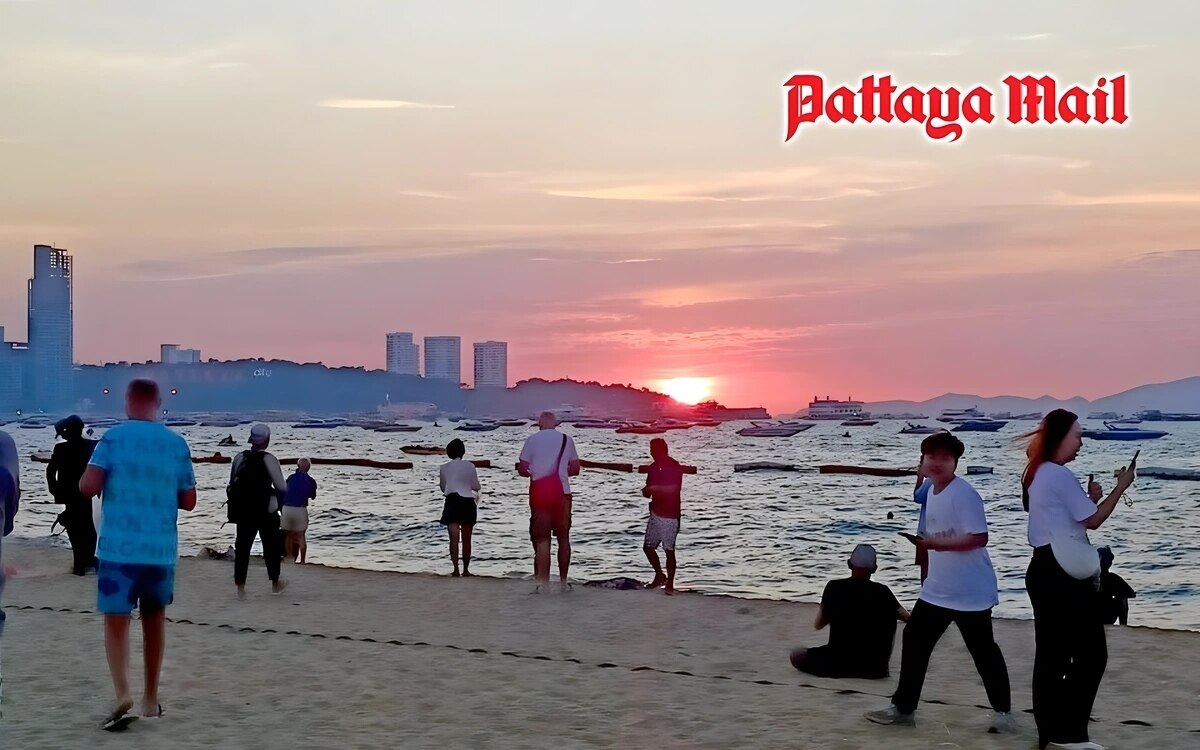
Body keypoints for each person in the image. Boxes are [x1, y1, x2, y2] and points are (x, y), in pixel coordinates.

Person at [867, 431, 1013, 734]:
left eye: (945, 458)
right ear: (922, 460)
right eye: (931, 457)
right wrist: (930, 546)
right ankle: (904, 709)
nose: (937, 463)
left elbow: (979, 537)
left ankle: (1002, 713)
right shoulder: (931, 491)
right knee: (915, 642)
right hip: (938, 589)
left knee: (983, 651)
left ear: (956, 463)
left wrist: (935, 545)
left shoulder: (964, 494)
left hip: (970, 591)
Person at [78, 379, 196, 729]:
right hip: (160, 549)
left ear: (128, 401)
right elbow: (189, 501)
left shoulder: (112, 439)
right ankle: (150, 697)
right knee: (154, 620)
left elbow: (88, 487)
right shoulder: (176, 444)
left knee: (116, 622)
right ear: (158, 403)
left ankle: (122, 692)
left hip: (118, 548)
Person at [1021, 409, 1136, 750]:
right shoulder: (1056, 475)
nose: (1081, 442)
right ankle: (1068, 734)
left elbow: (1067, 518)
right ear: (1060, 437)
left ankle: (1051, 733)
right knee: (1091, 654)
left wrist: (1091, 498)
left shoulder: (1038, 472)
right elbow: (1095, 521)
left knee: (1052, 656)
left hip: (1043, 568)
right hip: (1060, 574)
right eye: (1077, 435)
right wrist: (1121, 486)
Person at [790, 544, 910, 679]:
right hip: (876, 670)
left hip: (838, 665)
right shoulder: (884, 592)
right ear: (874, 569)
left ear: (849, 564)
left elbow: (819, 624)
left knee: (797, 655)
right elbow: (907, 618)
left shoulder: (834, 587)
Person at [517, 411, 581, 593]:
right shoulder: (566, 440)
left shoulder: (532, 440)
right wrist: (560, 474)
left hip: (539, 493)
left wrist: (535, 473)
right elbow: (575, 468)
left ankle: (543, 584)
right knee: (563, 538)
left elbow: (522, 468)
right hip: (563, 493)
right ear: (555, 424)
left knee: (542, 540)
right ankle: (562, 582)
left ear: (540, 424)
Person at [227, 424, 288, 598]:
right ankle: (275, 583)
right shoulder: (269, 459)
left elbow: (232, 482)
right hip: (266, 509)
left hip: (243, 510)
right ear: (266, 440)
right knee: (271, 547)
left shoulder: (239, 457)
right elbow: (281, 486)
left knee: (243, 548)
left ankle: (241, 588)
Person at [47, 415, 99, 575]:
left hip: (69, 492)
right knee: (88, 526)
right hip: (88, 491)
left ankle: (80, 564)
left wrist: (54, 489)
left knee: (76, 529)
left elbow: (50, 470)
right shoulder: (92, 445)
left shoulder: (61, 449)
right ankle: (90, 560)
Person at [641, 438, 684, 594]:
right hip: (655, 512)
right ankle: (659, 575)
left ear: (662, 450)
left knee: (669, 550)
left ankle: (670, 583)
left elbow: (673, 489)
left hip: (670, 514)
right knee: (648, 547)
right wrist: (647, 491)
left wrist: (653, 488)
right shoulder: (653, 467)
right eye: (650, 449)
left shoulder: (674, 466)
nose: (651, 452)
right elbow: (649, 488)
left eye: (653, 450)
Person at [439, 439, 481, 577]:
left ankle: (456, 569)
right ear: (463, 451)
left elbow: (443, 487)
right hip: (467, 502)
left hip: (452, 501)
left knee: (454, 538)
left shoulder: (444, 467)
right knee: (467, 538)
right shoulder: (470, 466)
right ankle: (466, 569)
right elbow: (476, 486)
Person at [281, 458, 317, 564]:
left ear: (298, 466)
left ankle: (289, 557)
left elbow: (284, 490)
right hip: (300, 508)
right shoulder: (310, 481)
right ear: (308, 468)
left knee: (288, 535)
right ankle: (302, 560)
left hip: (287, 508)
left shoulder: (291, 478)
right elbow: (313, 496)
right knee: (301, 535)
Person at [1097, 546, 1135, 627]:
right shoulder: (1112, 578)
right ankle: (1123, 626)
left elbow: (1130, 593)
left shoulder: (1112, 578)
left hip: (1106, 615)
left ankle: (1123, 627)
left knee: (1122, 598)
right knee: (1122, 599)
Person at [912, 456, 932, 582]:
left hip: (926, 535)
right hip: (938, 535)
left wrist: (920, 477)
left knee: (926, 573)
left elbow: (917, 496)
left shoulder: (930, 481)